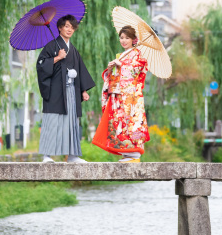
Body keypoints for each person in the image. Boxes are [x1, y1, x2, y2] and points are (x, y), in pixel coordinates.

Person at [36, 14, 95, 163]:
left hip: (71, 91)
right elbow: (41, 65)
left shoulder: (73, 50)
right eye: (66, 26)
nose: (70, 29)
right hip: (55, 91)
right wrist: (57, 58)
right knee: (53, 121)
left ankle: (73, 156)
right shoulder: (51, 46)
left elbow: (80, 70)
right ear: (60, 28)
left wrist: (83, 90)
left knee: (71, 123)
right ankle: (47, 155)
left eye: (72, 27)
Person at [92, 25, 149, 162]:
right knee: (119, 123)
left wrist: (121, 66)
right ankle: (126, 152)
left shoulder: (138, 55)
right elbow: (114, 76)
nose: (123, 41)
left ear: (134, 39)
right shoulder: (123, 55)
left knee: (131, 122)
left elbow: (137, 71)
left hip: (131, 97)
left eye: (127, 38)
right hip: (118, 95)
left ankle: (134, 153)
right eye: (121, 38)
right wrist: (111, 69)